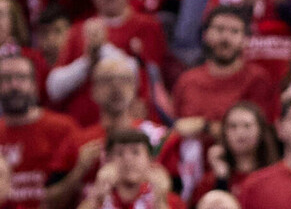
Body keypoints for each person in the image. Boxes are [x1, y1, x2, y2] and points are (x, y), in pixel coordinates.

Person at [47, 0, 168, 126]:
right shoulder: (77, 31)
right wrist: (89, 60)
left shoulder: (148, 27)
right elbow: (55, 87)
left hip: (130, 129)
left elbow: (148, 80)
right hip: (84, 128)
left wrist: (102, 49)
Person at [45, 57, 168, 209]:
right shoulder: (78, 141)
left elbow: (177, 196)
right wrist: (79, 171)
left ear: (135, 88)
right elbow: (49, 202)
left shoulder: (157, 136)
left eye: (124, 79)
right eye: (107, 80)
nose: (116, 86)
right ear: (93, 90)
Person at [171, 5, 278, 125]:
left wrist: (205, 127)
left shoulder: (258, 79)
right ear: (205, 35)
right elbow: (177, 127)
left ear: (246, 40)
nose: (225, 38)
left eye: (234, 31)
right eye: (219, 29)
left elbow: (261, 130)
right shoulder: (187, 80)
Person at [0, 53, 78, 209]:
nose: (14, 85)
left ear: (34, 84)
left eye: (21, 78)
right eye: (6, 79)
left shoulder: (63, 128)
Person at [191, 102, 278, 205]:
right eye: (233, 126)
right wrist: (221, 179)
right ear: (224, 132)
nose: (240, 132)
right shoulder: (210, 180)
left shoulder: (275, 176)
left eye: (247, 126)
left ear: (261, 130)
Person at [76, 128, 182, 209]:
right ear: (108, 161)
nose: (128, 159)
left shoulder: (171, 201)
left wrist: (160, 202)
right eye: (120, 153)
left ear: (150, 159)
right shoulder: (93, 199)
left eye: (135, 152)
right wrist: (98, 198)